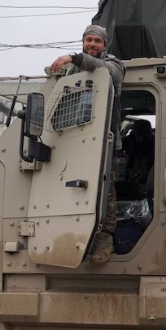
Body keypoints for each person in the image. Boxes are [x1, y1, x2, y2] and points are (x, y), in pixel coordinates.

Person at [49, 25, 125, 264]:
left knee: (105, 188)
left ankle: (105, 237)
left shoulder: (113, 64)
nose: (92, 44)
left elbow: (107, 71)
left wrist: (73, 57)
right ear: (83, 42)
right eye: (89, 40)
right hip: (72, 138)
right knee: (71, 187)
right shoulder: (72, 71)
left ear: (104, 45)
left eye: (97, 41)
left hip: (103, 140)